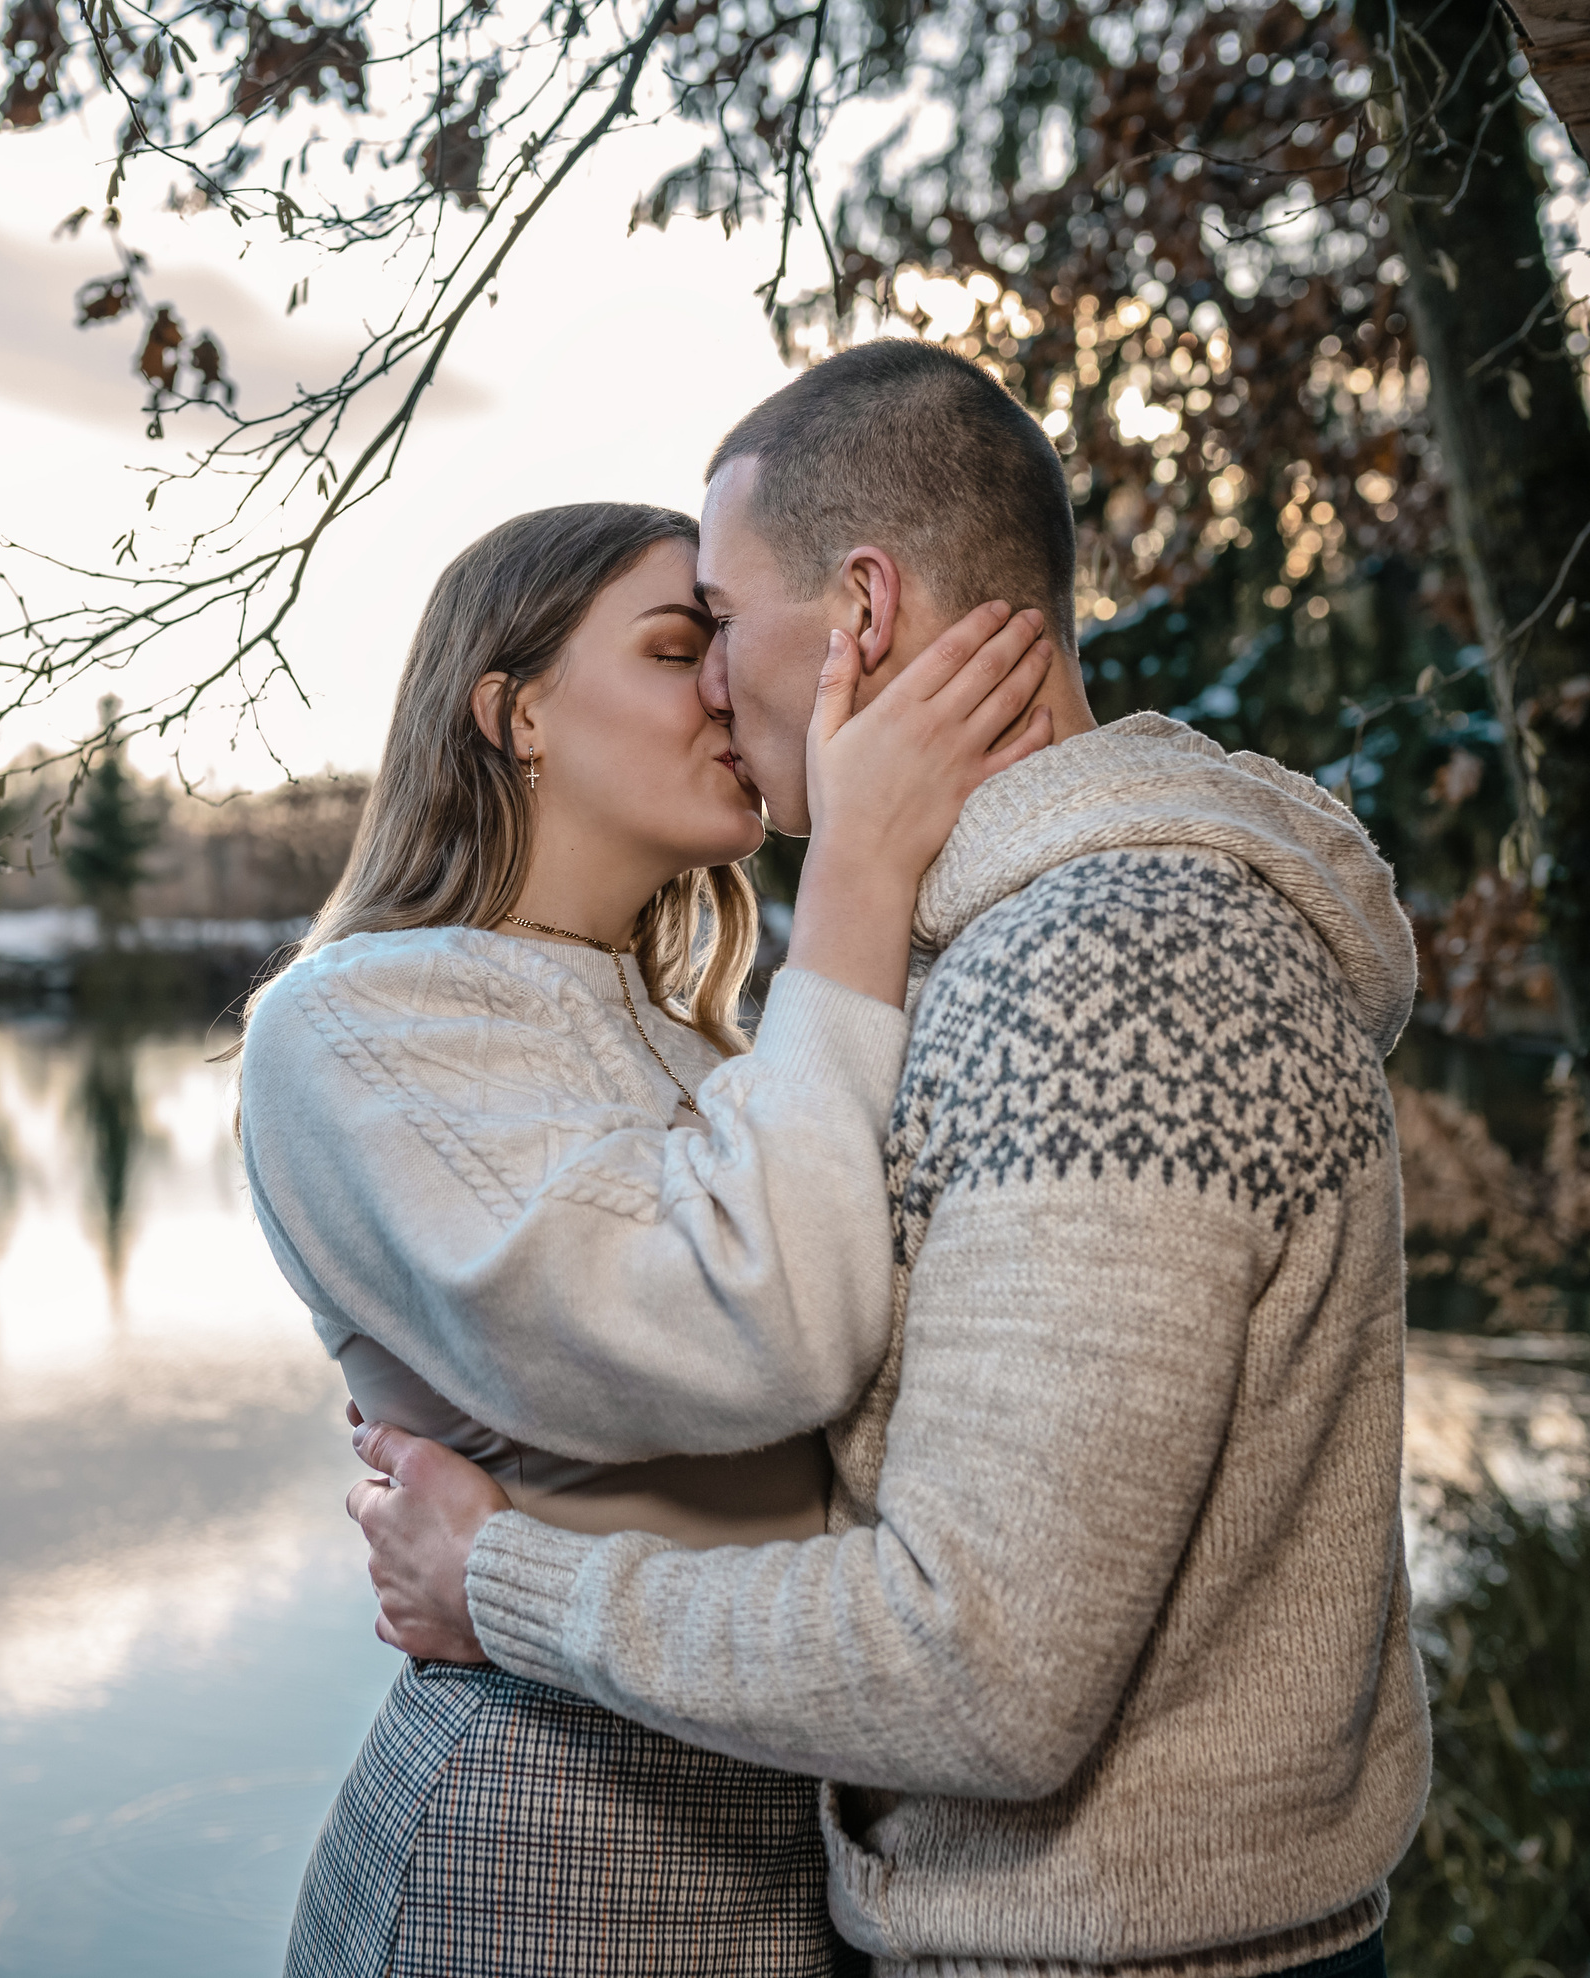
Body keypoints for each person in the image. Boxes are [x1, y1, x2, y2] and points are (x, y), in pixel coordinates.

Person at [349, 339, 1430, 1978]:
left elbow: (979, 1667)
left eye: (717, 620)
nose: (711, 680)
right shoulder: (1008, 955)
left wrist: (498, 1577)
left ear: (858, 612)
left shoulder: (1106, 969)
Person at [240, 495, 1059, 1974]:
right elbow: (758, 1330)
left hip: (799, 1856)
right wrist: (857, 874)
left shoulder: (721, 1048)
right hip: (541, 1849)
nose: (731, 689)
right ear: (516, 711)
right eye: (678, 646)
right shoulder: (353, 1024)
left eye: (730, 646)